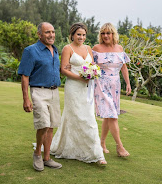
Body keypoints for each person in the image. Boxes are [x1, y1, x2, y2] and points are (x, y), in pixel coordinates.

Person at [50, 22, 107, 165]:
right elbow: (64, 70)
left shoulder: (88, 48)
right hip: (73, 87)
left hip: (86, 89)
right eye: (78, 34)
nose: (81, 37)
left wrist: (92, 75)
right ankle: (73, 148)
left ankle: (97, 154)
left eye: (83, 35)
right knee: (74, 117)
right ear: (72, 35)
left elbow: (92, 66)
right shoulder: (67, 48)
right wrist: (80, 78)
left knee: (89, 119)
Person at [18, 22, 62, 171]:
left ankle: (47, 158)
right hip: (38, 92)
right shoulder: (31, 51)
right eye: (47, 32)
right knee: (43, 124)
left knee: (51, 126)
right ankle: (37, 154)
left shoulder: (55, 50)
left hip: (54, 92)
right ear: (39, 34)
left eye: (53, 32)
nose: (51, 35)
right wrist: (26, 99)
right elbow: (25, 76)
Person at [92, 23, 131, 157]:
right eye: (103, 33)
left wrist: (128, 83)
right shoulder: (96, 48)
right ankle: (120, 147)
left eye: (108, 33)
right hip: (101, 84)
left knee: (109, 115)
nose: (106, 36)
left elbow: (123, 67)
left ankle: (102, 143)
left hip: (115, 85)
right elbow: (89, 65)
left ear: (113, 34)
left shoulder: (119, 48)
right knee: (112, 115)